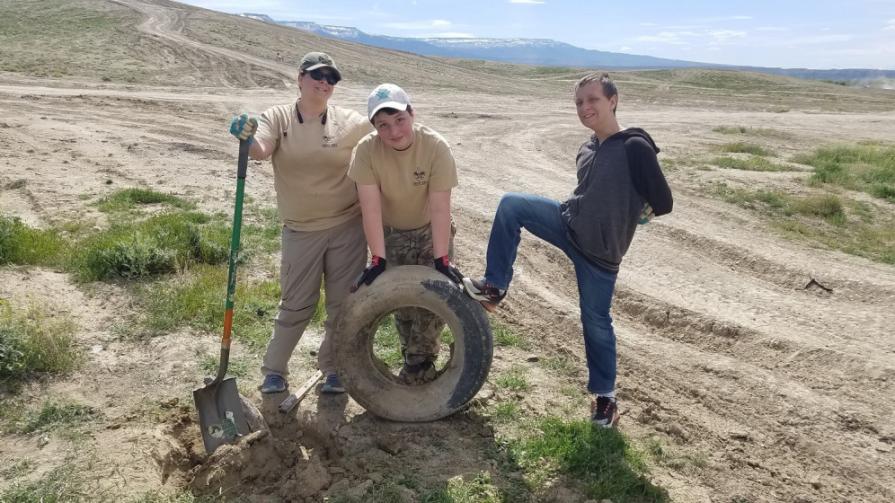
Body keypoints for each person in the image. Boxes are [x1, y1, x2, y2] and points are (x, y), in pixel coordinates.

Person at [463, 72, 673, 427]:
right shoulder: (588, 146)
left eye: (592, 99)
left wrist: (639, 213)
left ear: (613, 100)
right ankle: (494, 286)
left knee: (596, 322)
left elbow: (663, 201)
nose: (585, 107)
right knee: (512, 205)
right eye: (579, 102)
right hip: (567, 224)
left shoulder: (635, 146)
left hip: (600, 255)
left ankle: (606, 399)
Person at [229, 52, 373, 395]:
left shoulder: (346, 120)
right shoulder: (278, 117)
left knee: (343, 304)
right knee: (296, 305)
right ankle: (274, 370)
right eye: (317, 75)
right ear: (299, 78)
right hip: (301, 230)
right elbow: (262, 148)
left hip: (347, 229)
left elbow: (382, 129)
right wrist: (247, 139)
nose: (324, 82)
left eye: (331, 78)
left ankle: (335, 369)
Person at [347, 83, 465, 384]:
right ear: (374, 126)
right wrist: (377, 258)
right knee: (403, 302)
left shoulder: (435, 146)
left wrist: (441, 258)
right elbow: (370, 208)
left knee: (431, 298)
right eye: (383, 125)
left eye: (400, 120)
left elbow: (440, 207)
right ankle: (412, 357)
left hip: (430, 230)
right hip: (391, 232)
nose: (394, 131)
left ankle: (420, 363)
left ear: (412, 113)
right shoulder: (366, 152)